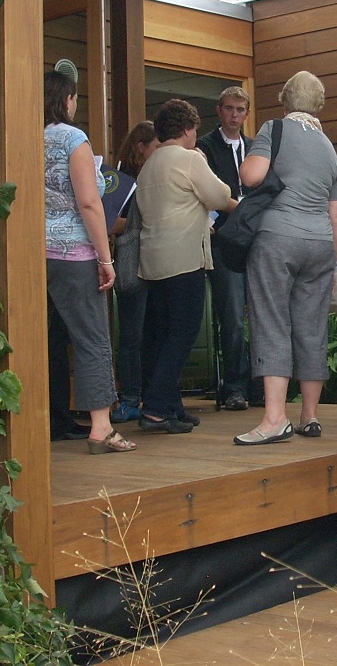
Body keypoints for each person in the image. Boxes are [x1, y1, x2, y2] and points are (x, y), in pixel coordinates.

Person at [234, 71, 337, 446]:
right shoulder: (328, 147)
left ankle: (274, 419)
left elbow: (252, 176)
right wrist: (331, 260)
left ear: (285, 100)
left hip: (278, 239)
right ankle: (309, 416)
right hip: (320, 244)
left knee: (271, 321)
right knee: (312, 326)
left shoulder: (274, 129)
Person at [43, 70, 136, 454]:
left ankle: (40, 421)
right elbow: (88, 203)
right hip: (75, 253)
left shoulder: (26, 136)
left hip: (35, 252)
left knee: (46, 341)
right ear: (67, 100)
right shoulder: (73, 138)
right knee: (93, 339)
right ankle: (101, 427)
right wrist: (105, 257)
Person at [135, 99, 235, 433]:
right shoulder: (189, 159)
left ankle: (171, 405)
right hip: (183, 259)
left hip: (153, 261)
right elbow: (219, 196)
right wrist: (202, 161)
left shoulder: (149, 164)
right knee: (182, 333)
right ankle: (156, 409)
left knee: (160, 335)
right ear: (187, 130)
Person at [196, 86, 257, 411]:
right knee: (232, 315)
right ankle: (234, 385)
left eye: (240, 109)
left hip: (255, 241)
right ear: (219, 110)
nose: (235, 115)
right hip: (223, 240)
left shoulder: (255, 148)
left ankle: (261, 385)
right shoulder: (204, 147)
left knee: (261, 314)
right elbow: (202, 193)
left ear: (247, 113)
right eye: (229, 108)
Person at [109, 120, 159, 424]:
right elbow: (108, 221)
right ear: (141, 147)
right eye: (156, 147)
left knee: (155, 333)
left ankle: (154, 398)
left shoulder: (161, 175)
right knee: (132, 335)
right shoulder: (121, 180)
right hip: (133, 262)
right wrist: (139, 223)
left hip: (159, 262)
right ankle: (130, 397)